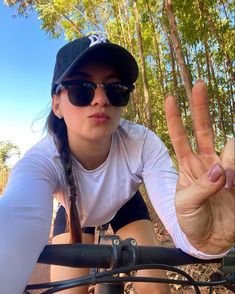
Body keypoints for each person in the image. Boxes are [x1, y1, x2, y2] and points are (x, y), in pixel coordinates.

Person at [0, 33, 234, 294]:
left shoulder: (143, 143)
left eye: (116, 89)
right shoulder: (42, 159)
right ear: (57, 104)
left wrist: (204, 240)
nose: (101, 99)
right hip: (75, 212)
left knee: (156, 289)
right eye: (81, 89)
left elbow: (178, 219)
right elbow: (16, 218)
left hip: (125, 204)